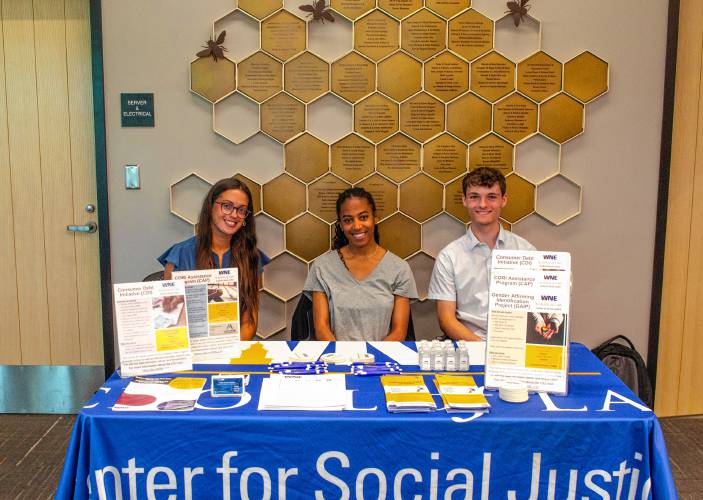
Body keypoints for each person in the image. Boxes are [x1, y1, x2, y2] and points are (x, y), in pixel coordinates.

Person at [428, 167, 535, 341]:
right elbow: (446, 320)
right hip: (469, 348)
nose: (483, 204)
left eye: (491, 197)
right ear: (464, 200)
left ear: (503, 200)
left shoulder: (527, 252)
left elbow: (537, 309)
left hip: (516, 346)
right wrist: (484, 350)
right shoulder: (449, 257)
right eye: (474, 197)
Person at [157, 178, 268, 340]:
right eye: (227, 206)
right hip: (191, 351)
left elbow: (249, 320)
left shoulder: (252, 256)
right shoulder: (179, 255)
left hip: (235, 349)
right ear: (210, 207)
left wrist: (228, 352)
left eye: (241, 210)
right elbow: (170, 319)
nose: (234, 215)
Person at [303, 187, 418, 341]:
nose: (357, 226)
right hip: (336, 360)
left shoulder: (399, 268)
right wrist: (341, 360)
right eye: (348, 220)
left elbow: (399, 332)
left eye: (363, 217)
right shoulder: (322, 267)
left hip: (380, 361)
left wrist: (372, 360)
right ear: (341, 225)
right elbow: (322, 329)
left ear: (375, 218)